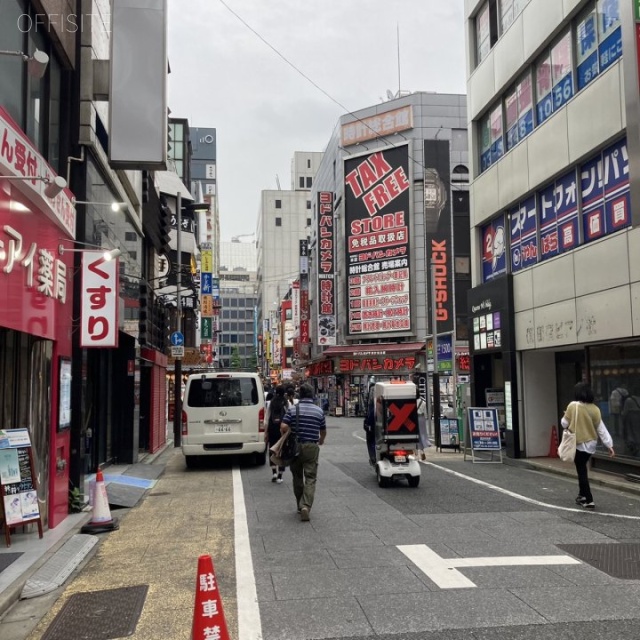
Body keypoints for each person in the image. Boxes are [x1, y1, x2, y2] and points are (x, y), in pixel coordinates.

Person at [561, 381, 615, 510]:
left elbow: (564, 423)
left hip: (578, 443)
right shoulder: (595, 409)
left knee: (581, 471)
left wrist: (566, 415)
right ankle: (582, 495)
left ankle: (589, 499)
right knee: (582, 468)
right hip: (591, 444)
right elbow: (601, 428)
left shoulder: (573, 406)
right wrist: (609, 445)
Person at [281, 383, 326, 521]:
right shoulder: (319, 411)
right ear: (312, 395)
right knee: (311, 477)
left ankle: (300, 505)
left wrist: (288, 433)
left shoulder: (293, 410)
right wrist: (321, 441)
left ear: (300, 394)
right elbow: (323, 431)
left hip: (296, 446)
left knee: (297, 477)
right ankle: (306, 505)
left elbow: (283, 426)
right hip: (311, 446)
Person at [264, 386, 287, 483]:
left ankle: (274, 472)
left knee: (272, 449)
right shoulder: (286, 402)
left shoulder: (270, 403)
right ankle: (280, 475)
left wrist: (266, 432)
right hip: (283, 429)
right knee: (282, 450)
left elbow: (266, 419)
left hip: (272, 429)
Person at [416, 389, 428, 460]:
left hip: (414, 419)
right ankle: (422, 451)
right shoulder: (423, 402)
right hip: (421, 418)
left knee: (415, 434)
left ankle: (415, 451)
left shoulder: (412, 402)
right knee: (422, 434)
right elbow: (425, 413)